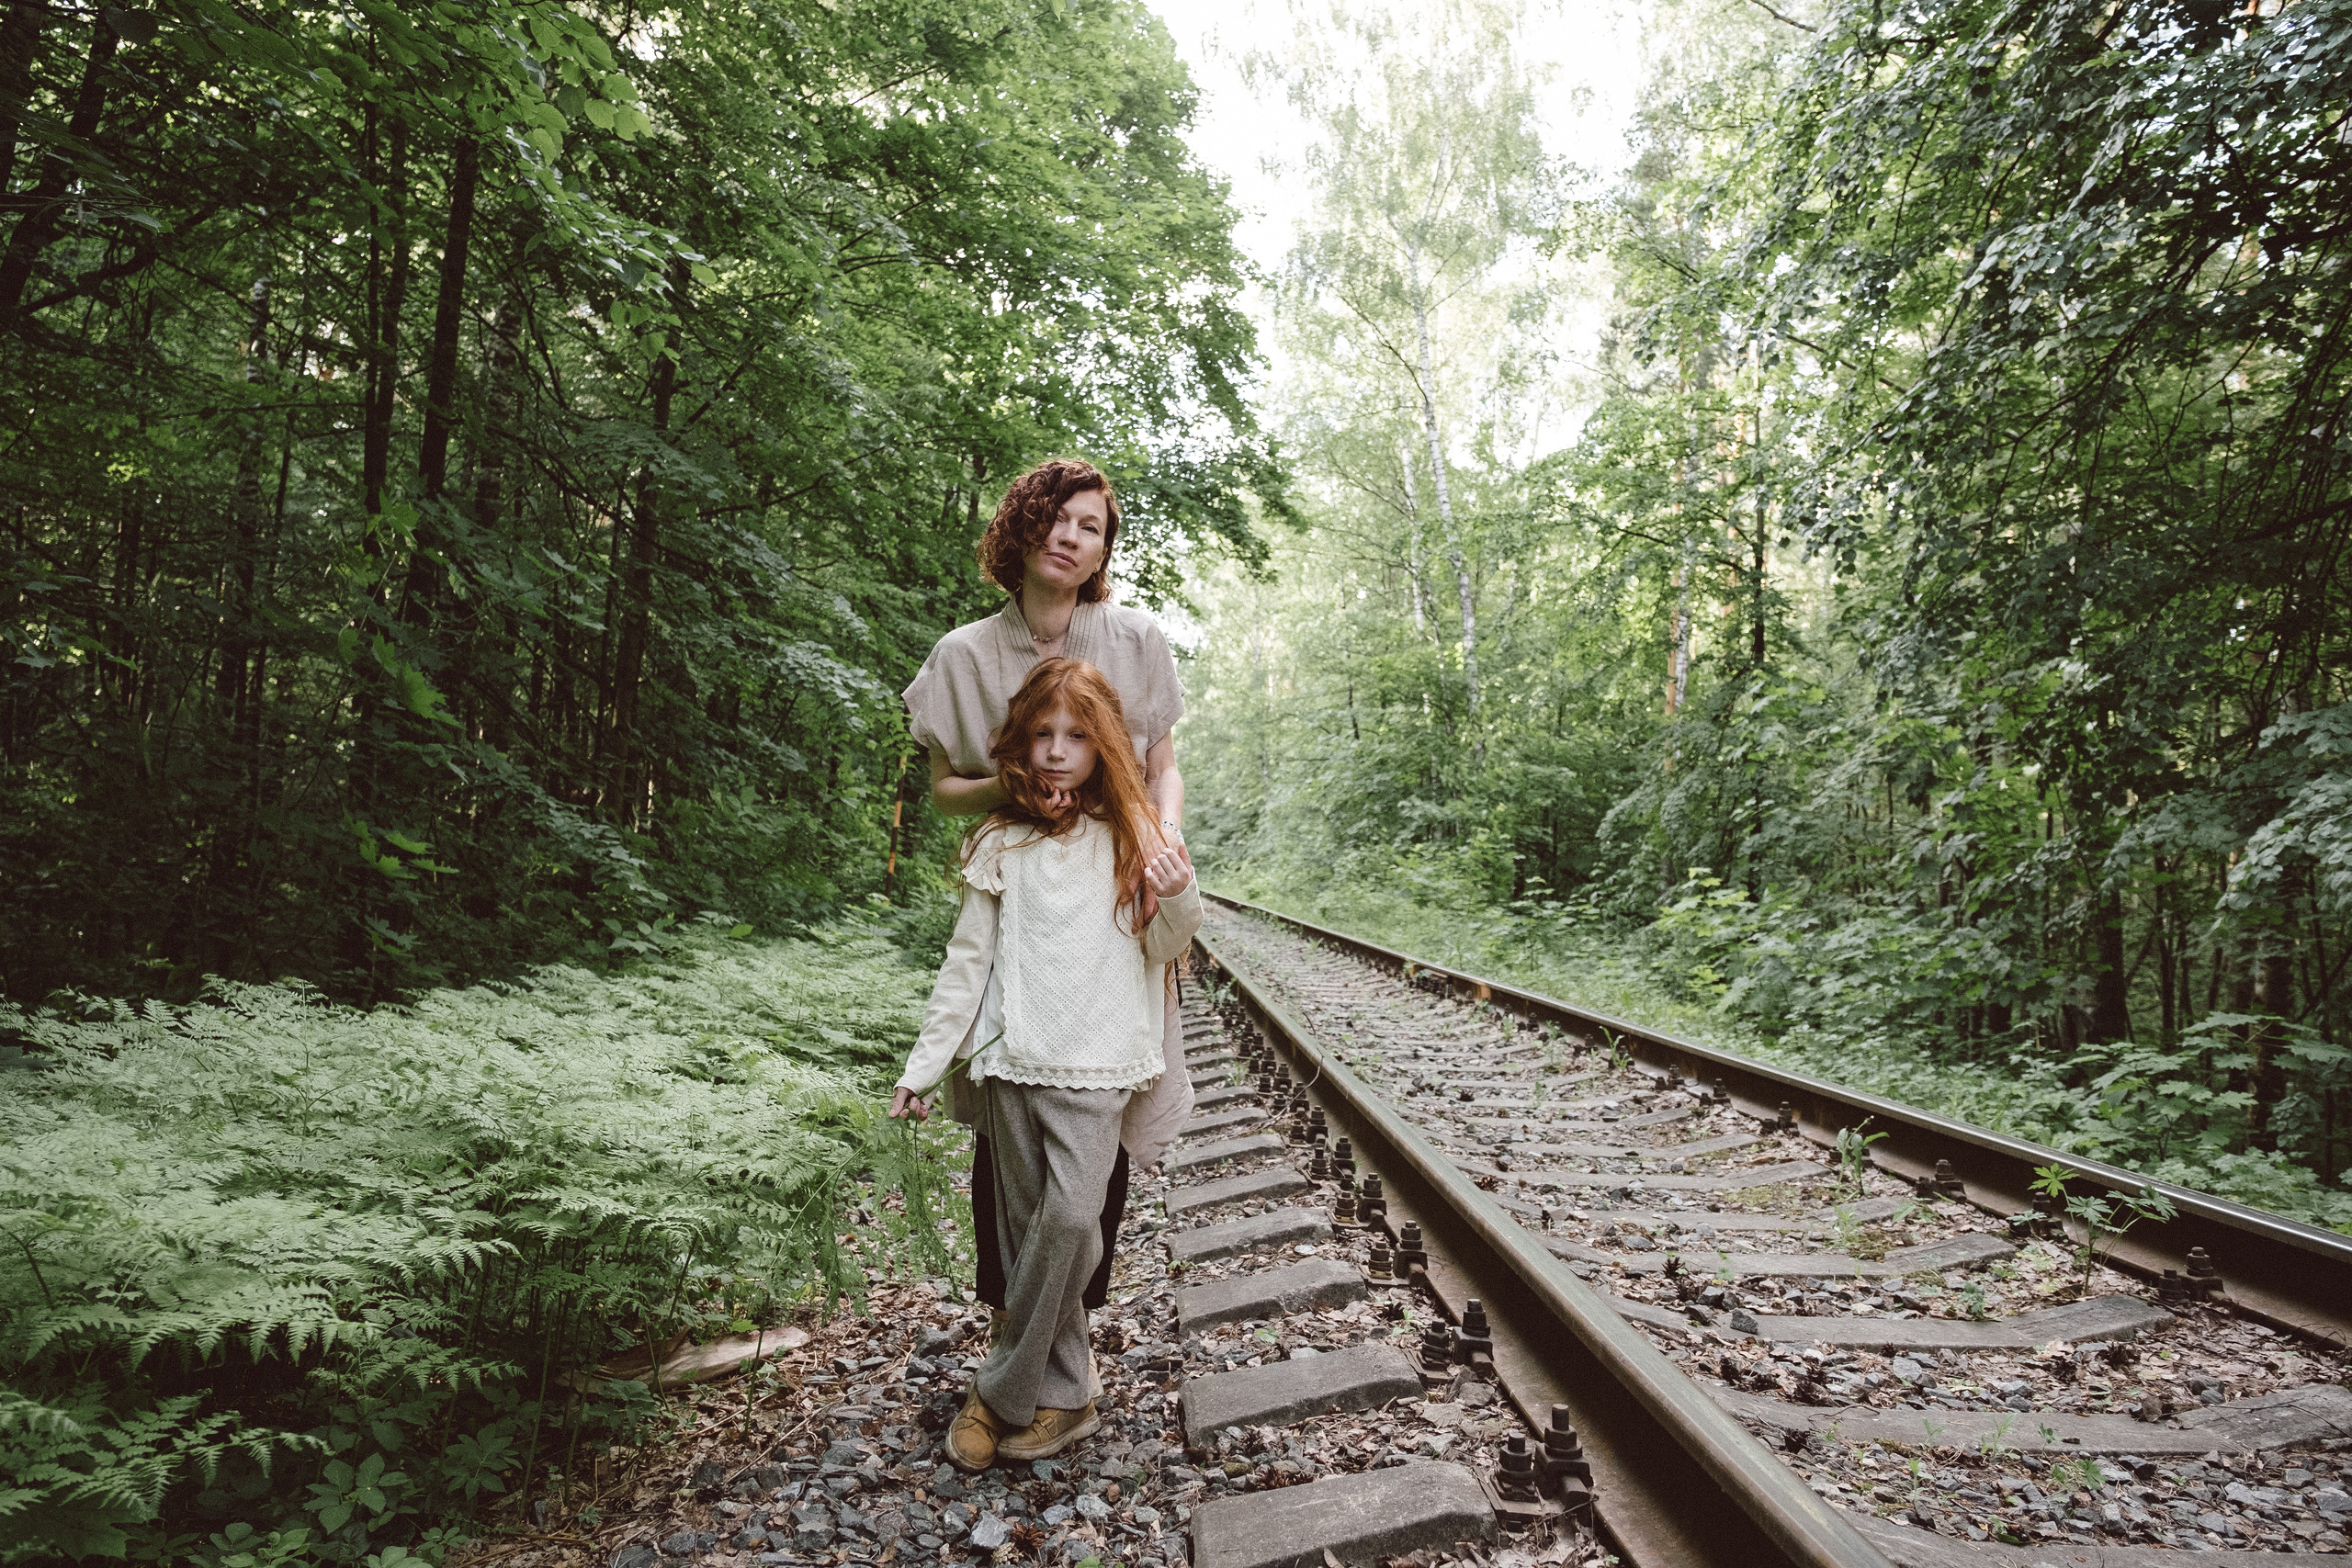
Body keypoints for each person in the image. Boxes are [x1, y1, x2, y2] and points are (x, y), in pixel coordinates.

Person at [900, 458, 1193, 1329]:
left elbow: (1163, 767)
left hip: (1112, 898)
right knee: (1011, 1131)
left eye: (1092, 526)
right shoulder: (963, 654)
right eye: (1057, 518)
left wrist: (1161, 839)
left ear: (1104, 548)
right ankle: (1011, 1331)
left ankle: (1069, 1336)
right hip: (1022, 900)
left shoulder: (1135, 639)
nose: (1071, 537)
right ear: (1022, 527)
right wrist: (1020, 786)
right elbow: (946, 787)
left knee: (1098, 1125)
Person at [891, 659, 1202, 1468]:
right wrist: (922, 1067)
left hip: (1099, 1063)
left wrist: (1178, 894)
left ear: (1102, 745)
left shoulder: (1130, 836)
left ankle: (994, 1395)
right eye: (1043, 734)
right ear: (1020, 743)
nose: (1058, 751)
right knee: (1028, 1232)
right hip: (1012, 1060)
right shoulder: (1000, 840)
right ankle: (1068, 1397)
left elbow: (1166, 948)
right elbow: (966, 963)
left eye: (1076, 736)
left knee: (1070, 1223)